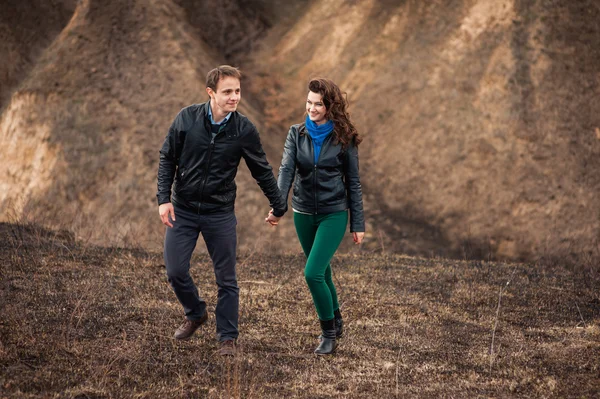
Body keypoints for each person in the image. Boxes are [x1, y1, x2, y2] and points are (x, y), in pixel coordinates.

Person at [157, 65, 287, 356]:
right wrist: (163, 199)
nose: (234, 97)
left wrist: (278, 206)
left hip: (219, 213)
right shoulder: (186, 119)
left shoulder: (244, 130)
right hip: (184, 210)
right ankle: (196, 313)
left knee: (226, 279)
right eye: (227, 91)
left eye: (237, 91)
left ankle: (227, 338)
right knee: (176, 271)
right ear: (210, 93)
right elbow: (168, 158)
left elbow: (262, 171)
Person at [266, 78, 365, 355]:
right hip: (303, 212)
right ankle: (337, 317)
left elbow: (353, 182)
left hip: (333, 213)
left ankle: (328, 333)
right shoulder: (295, 134)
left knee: (312, 273)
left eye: (318, 104)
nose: (311, 108)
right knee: (323, 271)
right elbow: (286, 170)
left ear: (329, 106)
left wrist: (357, 223)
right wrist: (278, 206)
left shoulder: (345, 138)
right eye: (308, 102)